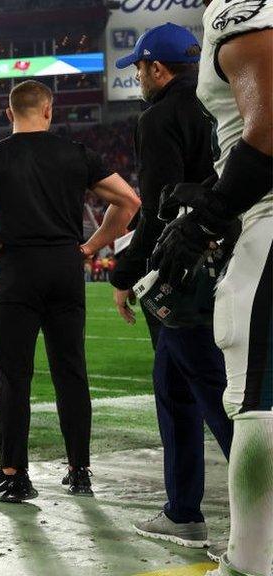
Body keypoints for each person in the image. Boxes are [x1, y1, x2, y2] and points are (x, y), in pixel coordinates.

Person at [0, 80, 141, 503]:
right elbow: (128, 201)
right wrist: (90, 247)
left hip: (17, 268)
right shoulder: (75, 153)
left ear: (8, 113)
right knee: (71, 372)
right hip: (65, 268)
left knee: (13, 376)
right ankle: (80, 470)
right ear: (49, 111)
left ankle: (15, 473)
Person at [151, 2, 272, 574]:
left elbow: (268, 127)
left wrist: (211, 213)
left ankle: (249, 563)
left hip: (269, 225)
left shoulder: (243, 11)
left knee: (256, 406)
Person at [108, 23, 235, 549]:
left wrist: (125, 272)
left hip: (189, 276)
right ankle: (182, 510)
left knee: (217, 395)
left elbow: (162, 210)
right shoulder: (223, 102)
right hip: (238, 258)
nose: (137, 76)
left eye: (139, 67)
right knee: (176, 386)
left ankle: (259, 503)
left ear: (157, 69)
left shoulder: (160, 116)